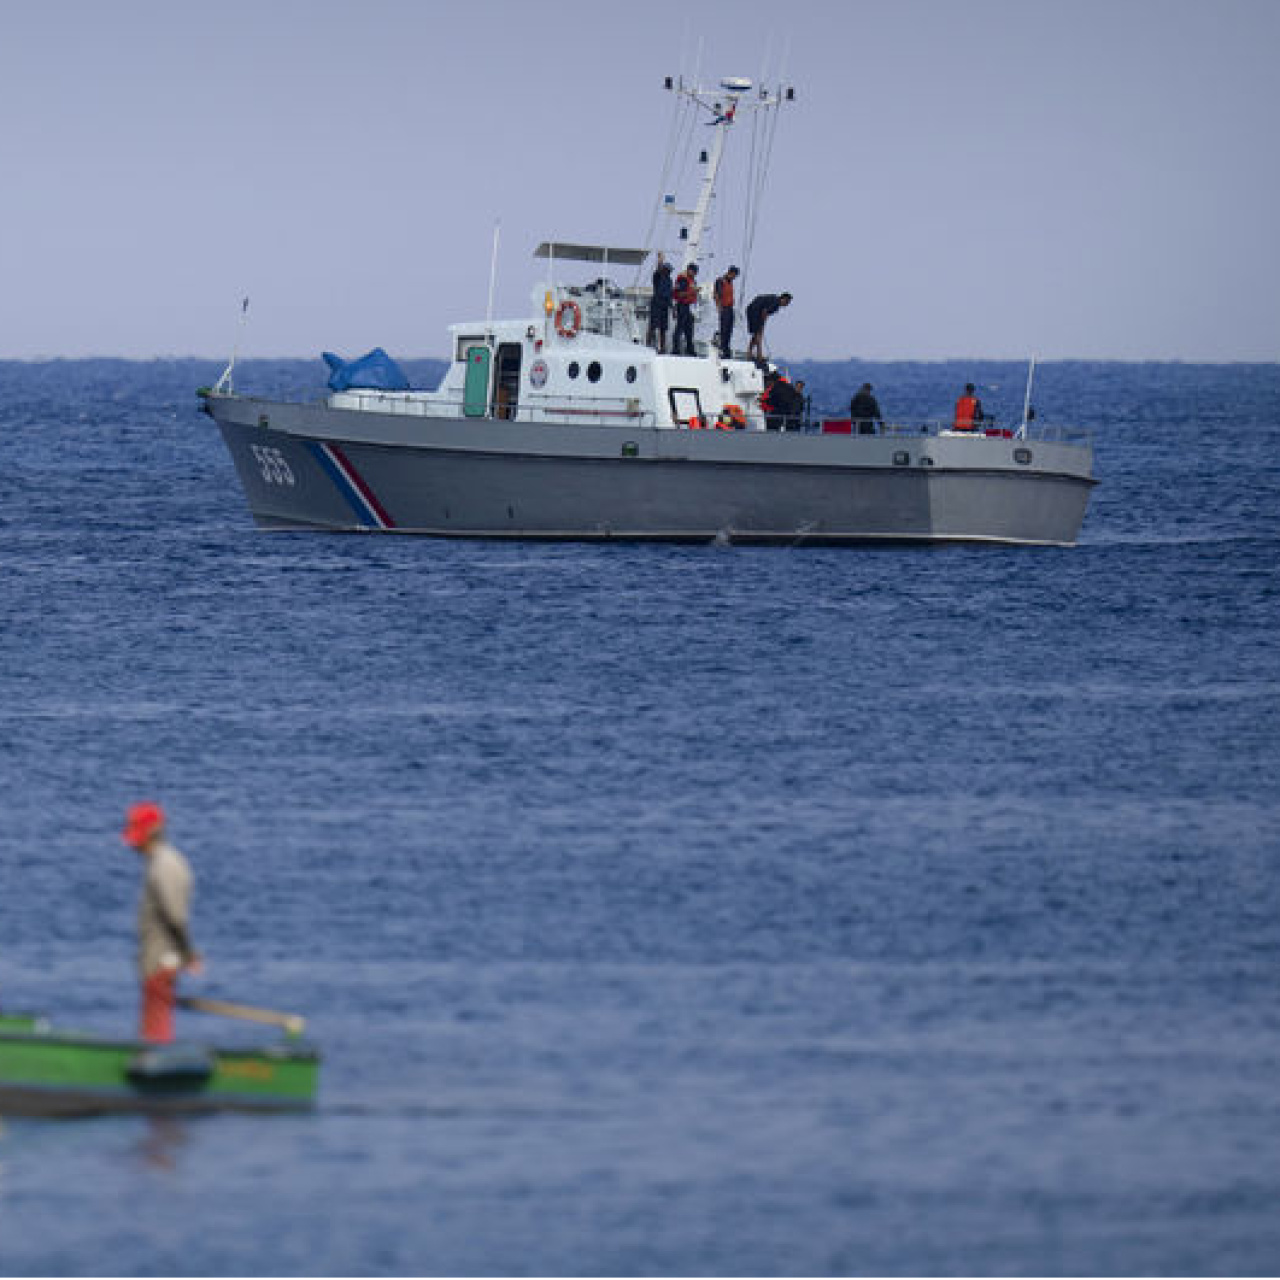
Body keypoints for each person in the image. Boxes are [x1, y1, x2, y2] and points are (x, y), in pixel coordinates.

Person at [123, 801, 203, 1044]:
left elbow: (175, 917)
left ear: (150, 834)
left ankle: (155, 1061)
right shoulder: (161, 862)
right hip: (156, 958)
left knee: (156, 1027)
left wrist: (188, 955)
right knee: (153, 1021)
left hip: (161, 959)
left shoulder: (165, 865)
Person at [746, 292, 792, 361]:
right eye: (787, 302)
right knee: (758, 334)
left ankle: (751, 353)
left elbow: (765, 312)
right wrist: (762, 325)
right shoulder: (776, 303)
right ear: (783, 299)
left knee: (757, 334)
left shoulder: (776, 302)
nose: (787, 305)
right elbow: (764, 312)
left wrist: (762, 325)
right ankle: (758, 355)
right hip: (754, 311)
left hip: (754, 310)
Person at [672, 263, 699, 356]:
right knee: (679, 328)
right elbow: (679, 294)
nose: (695, 274)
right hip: (682, 305)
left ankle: (689, 349)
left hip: (688, 307)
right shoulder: (683, 279)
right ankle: (675, 348)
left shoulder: (691, 280)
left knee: (689, 329)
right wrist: (693, 291)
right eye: (694, 272)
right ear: (689, 270)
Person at [647, 254, 673, 352]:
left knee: (663, 328)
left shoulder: (669, 280)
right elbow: (658, 270)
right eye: (667, 270)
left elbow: (670, 294)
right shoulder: (657, 277)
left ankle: (662, 348)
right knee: (653, 326)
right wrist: (660, 261)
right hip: (656, 304)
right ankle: (648, 344)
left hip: (665, 306)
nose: (669, 272)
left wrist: (672, 307)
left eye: (670, 270)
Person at [713, 265, 739, 358]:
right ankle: (722, 349)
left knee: (729, 330)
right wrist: (719, 307)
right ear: (730, 273)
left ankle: (726, 349)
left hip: (730, 308)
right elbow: (717, 295)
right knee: (724, 330)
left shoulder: (730, 282)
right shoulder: (721, 281)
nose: (735, 277)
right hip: (724, 308)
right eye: (734, 275)